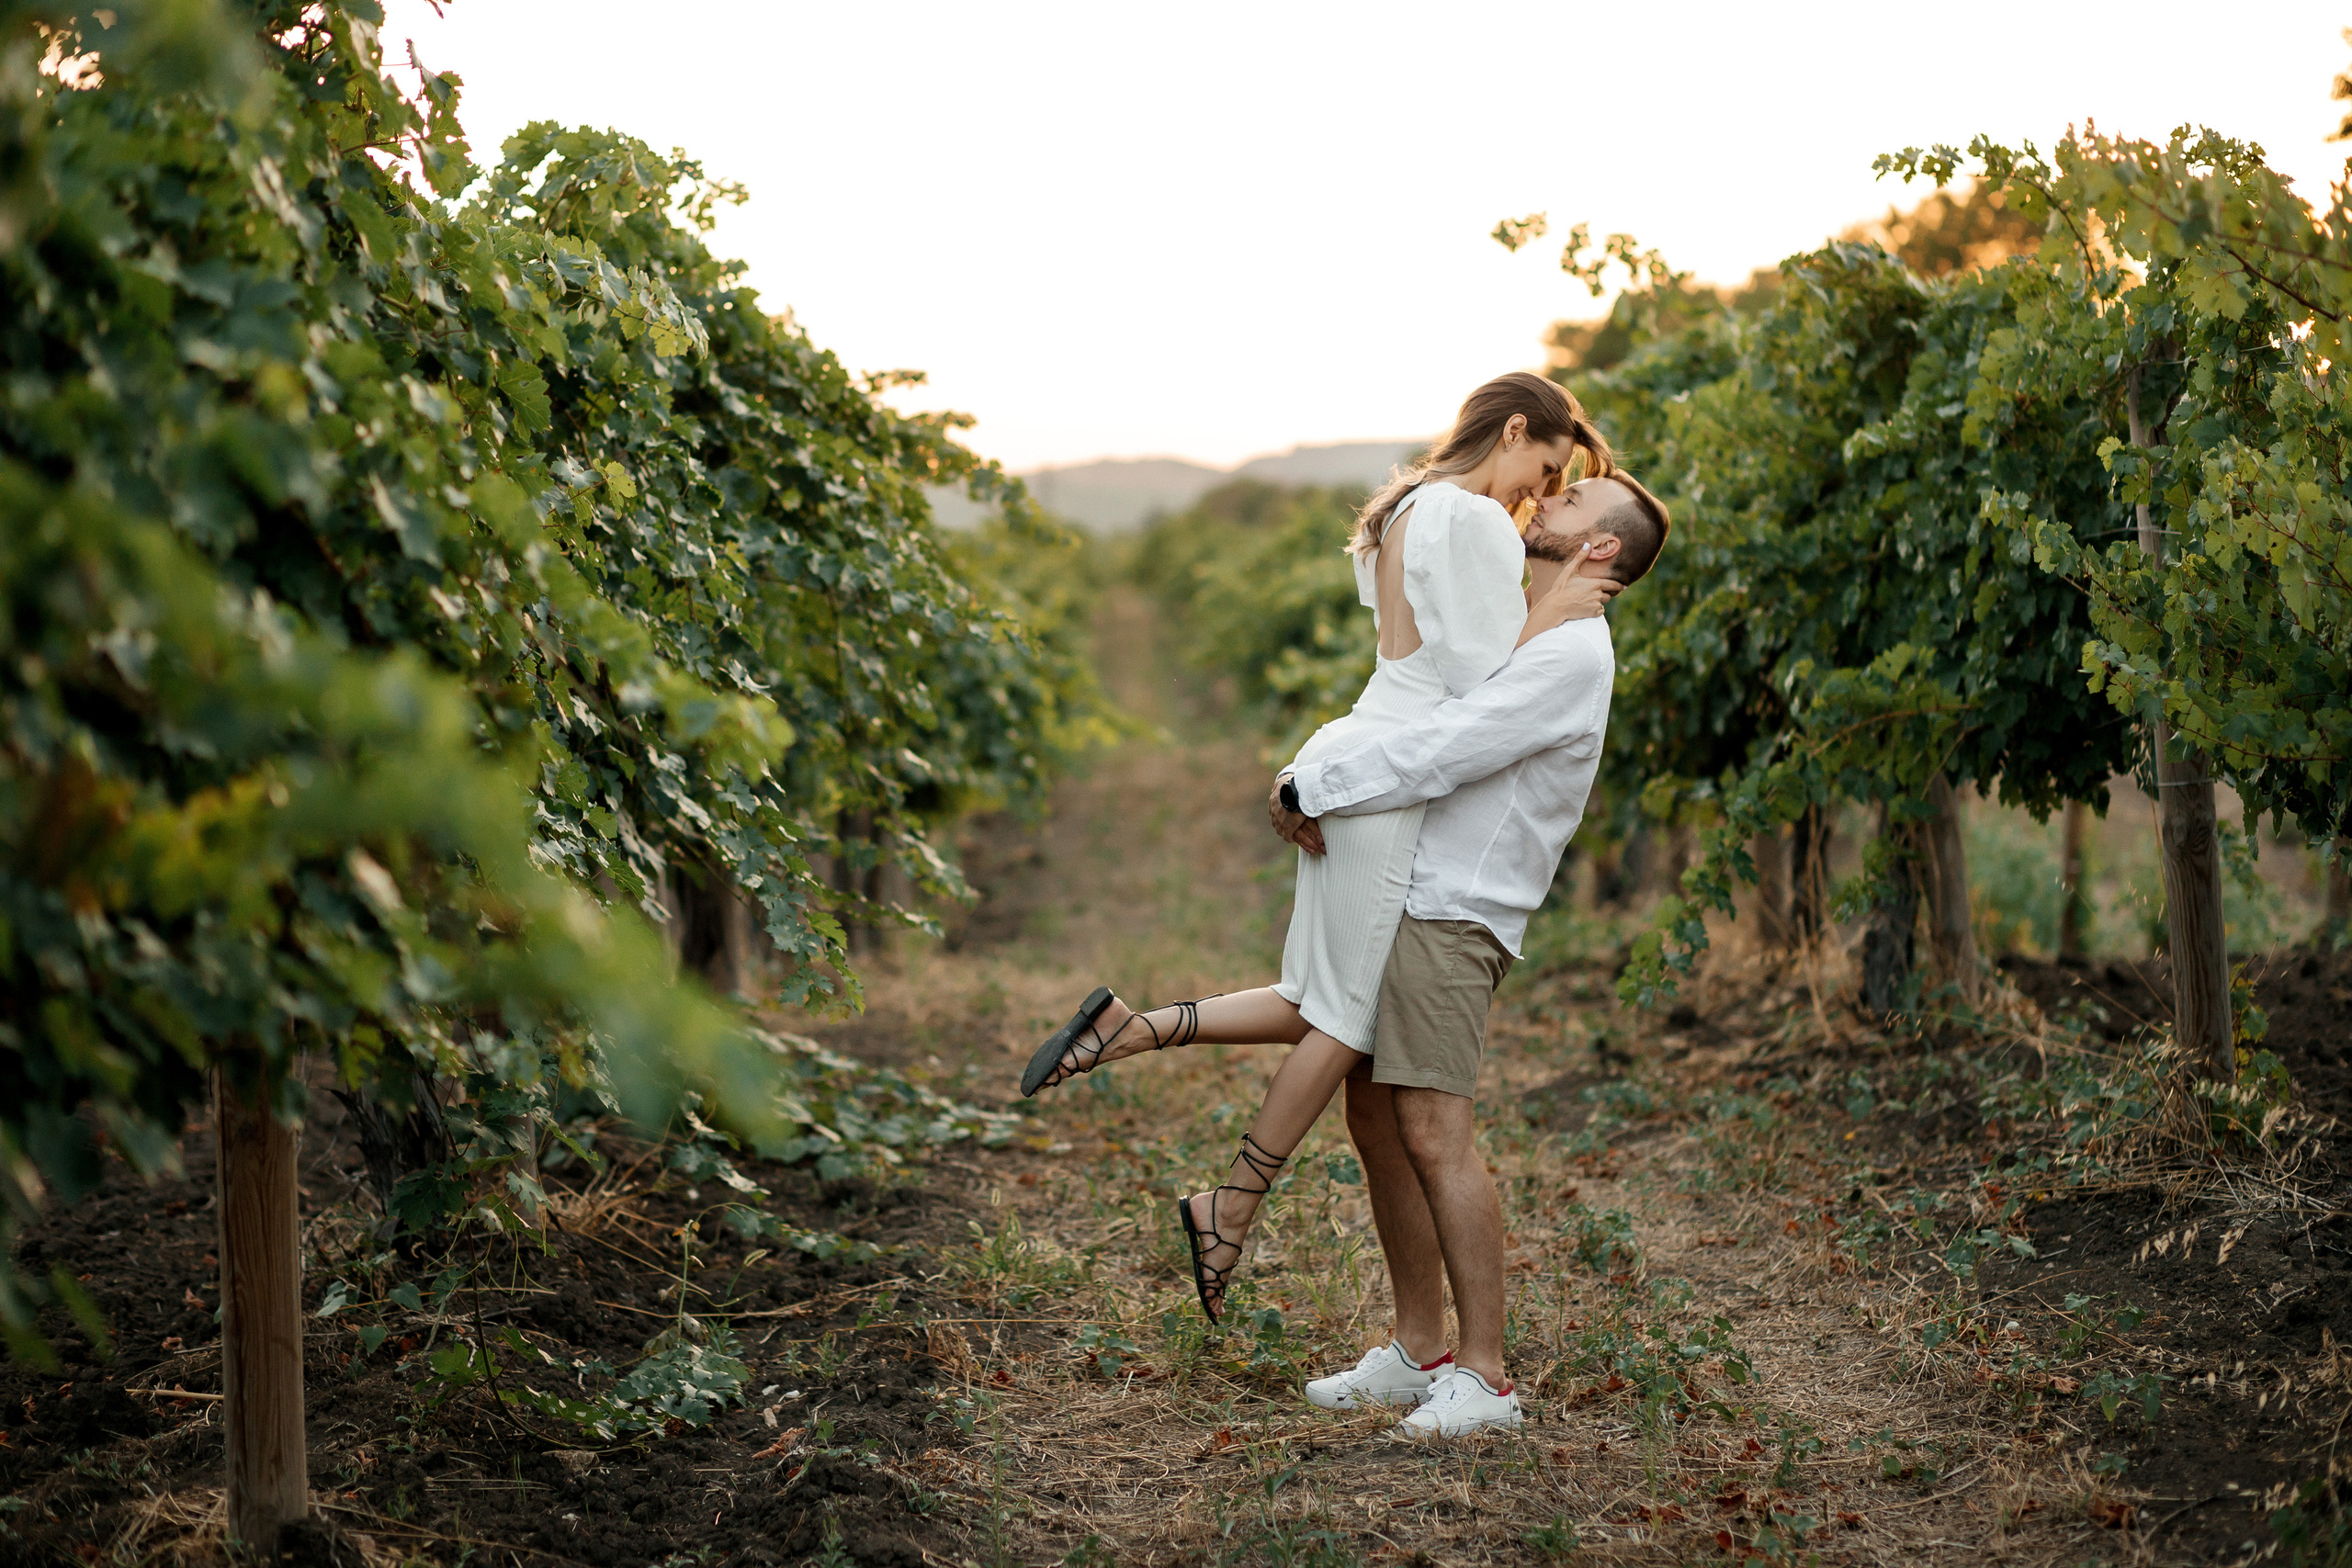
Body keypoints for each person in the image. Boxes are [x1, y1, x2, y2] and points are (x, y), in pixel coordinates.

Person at [1019, 371, 1617, 1323]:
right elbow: (1480, 688)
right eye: (1543, 468)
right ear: (1512, 431)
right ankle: (1232, 1202)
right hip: (1386, 775)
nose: (1535, 497)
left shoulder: (1403, 507)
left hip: (1357, 744)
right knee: (1343, 1014)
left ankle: (1132, 1032)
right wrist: (1547, 617)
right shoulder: (1468, 522)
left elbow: (1427, 665)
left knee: (1322, 998)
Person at [1274, 470, 1671, 1438]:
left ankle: (1487, 1381)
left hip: (1456, 913)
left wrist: (1309, 783)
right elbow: (1423, 713)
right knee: (1372, 1120)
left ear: (1602, 548)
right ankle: (1419, 1353)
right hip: (1405, 892)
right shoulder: (1533, 630)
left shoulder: (1573, 654)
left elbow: (1445, 747)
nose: (1550, 501)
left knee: (1432, 1134)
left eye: (1574, 501)